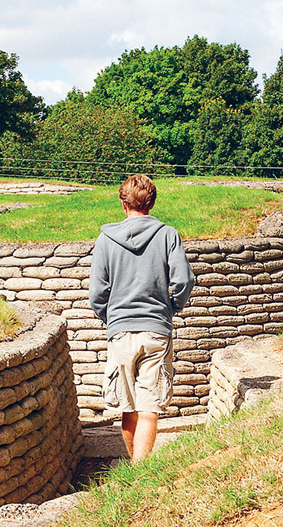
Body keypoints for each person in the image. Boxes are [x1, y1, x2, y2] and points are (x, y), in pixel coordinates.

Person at [88, 174, 194, 463]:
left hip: (120, 332)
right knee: (150, 406)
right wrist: (170, 308)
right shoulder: (167, 234)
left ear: (123, 204)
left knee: (128, 406)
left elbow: (97, 291)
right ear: (152, 202)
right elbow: (183, 280)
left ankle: (136, 470)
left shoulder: (105, 239)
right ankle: (141, 471)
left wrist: (110, 318)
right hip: (156, 330)